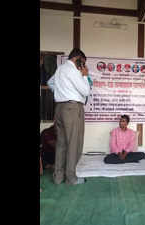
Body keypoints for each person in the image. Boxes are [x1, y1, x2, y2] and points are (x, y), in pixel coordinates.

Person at [47, 48, 91, 185]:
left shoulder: (60, 69)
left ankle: (58, 177)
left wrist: (62, 92)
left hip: (59, 108)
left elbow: (50, 83)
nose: (82, 66)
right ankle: (71, 178)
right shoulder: (73, 70)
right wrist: (84, 75)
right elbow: (86, 90)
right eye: (82, 63)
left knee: (61, 144)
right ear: (77, 58)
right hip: (72, 108)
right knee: (73, 143)